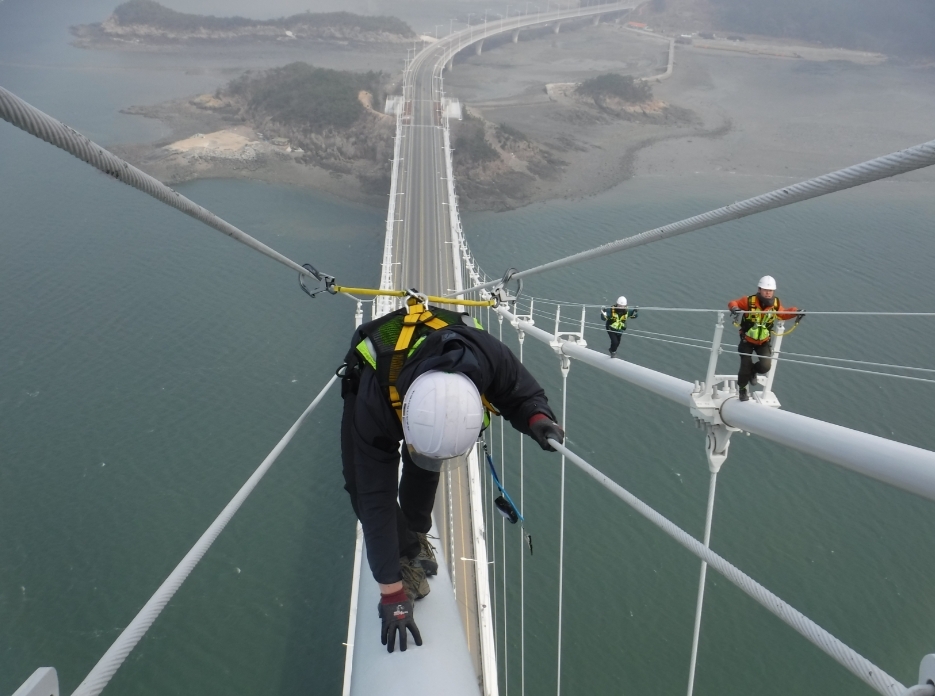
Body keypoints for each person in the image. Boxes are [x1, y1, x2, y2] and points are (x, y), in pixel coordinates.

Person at [339, 295, 564, 653]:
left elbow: (522, 394)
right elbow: (373, 495)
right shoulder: (375, 402)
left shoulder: (490, 357)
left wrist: (538, 419)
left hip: (423, 385)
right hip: (379, 377)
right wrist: (392, 593)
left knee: (426, 463)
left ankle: (413, 537)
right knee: (357, 482)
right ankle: (404, 552)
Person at [727, 276, 803, 402]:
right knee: (744, 367)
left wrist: (796, 312)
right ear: (759, 289)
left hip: (763, 341)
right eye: (765, 290)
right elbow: (733, 303)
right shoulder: (748, 301)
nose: (768, 293)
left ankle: (753, 371)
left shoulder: (776, 304)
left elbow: (783, 314)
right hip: (747, 340)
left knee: (765, 366)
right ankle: (742, 390)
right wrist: (735, 308)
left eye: (770, 290)